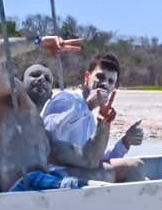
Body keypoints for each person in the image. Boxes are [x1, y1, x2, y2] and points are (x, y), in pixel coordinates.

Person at [0, 34, 86, 192]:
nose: (41, 79)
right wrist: (38, 42)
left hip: (41, 187)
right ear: (21, 81)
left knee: (100, 175)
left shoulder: (43, 133)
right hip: (19, 187)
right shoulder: (10, 97)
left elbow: (88, 158)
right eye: (35, 75)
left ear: (50, 95)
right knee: (80, 187)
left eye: (48, 79)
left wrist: (105, 124)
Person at [42, 53, 149, 183]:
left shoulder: (92, 118)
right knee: (135, 168)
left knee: (139, 173)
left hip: (77, 172)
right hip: (53, 174)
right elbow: (48, 133)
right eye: (100, 77)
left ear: (113, 88)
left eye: (110, 81)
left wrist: (125, 142)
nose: (104, 84)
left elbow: (96, 159)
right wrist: (87, 105)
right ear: (87, 77)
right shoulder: (66, 98)